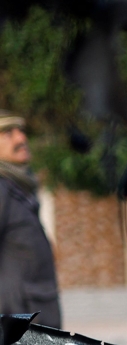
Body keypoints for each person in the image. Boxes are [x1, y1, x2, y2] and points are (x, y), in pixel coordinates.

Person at [0, 110, 60, 327]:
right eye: (8, 133)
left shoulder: (17, 186)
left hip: (35, 313)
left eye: (21, 131)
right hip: (16, 319)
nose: (21, 138)